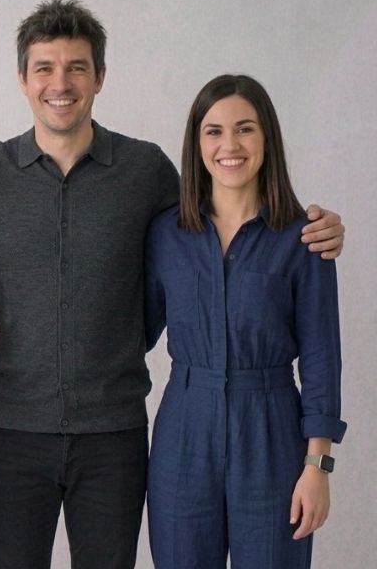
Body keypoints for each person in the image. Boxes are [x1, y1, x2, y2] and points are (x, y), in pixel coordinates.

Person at [0, 0, 345, 569]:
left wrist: (313, 226)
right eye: (45, 67)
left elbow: (219, 219)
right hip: (11, 430)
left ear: (100, 76)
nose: (61, 83)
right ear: (23, 79)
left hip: (114, 433)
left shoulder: (146, 172)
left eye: (77, 67)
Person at [144, 74, 346, 568]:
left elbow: (322, 356)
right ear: (197, 144)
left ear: (267, 139)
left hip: (273, 433)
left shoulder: (305, 238)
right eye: (213, 131)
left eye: (245, 129)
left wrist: (317, 466)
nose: (229, 145)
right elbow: (131, 331)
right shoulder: (166, 235)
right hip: (184, 432)